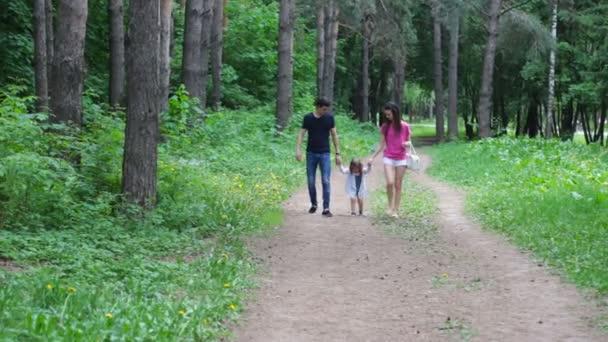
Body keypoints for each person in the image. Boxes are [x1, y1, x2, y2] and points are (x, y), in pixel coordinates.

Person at [295, 98, 342, 217]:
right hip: (311, 153)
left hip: (325, 153)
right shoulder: (308, 118)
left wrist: (338, 153)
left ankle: (326, 208)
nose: (325, 111)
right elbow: (301, 134)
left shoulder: (329, 118)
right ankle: (314, 204)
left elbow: (334, 135)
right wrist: (298, 150)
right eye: (323, 109)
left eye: (327, 109)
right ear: (318, 107)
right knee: (311, 181)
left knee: (325, 180)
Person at [367, 102, 411, 218]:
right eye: (386, 115)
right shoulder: (385, 127)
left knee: (398, 184)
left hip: (401, 158)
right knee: (390, 182)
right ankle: (390, 206)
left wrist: (407, 144)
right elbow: (382, 145)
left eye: (389, 114)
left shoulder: (405, 126)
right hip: (388, 157)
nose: (387, 117)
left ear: (395, 113)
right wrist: (372, 156)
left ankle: (396, 210)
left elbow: (409, 143)